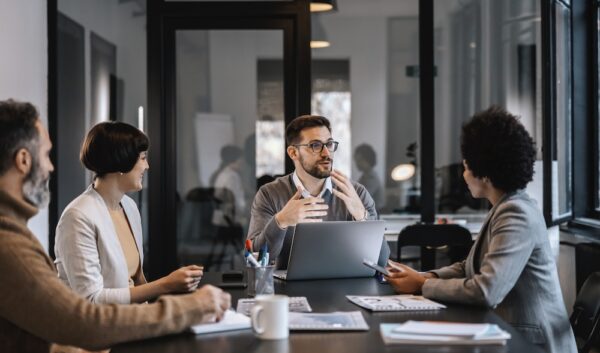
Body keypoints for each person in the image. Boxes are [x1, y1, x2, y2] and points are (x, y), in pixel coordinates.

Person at [0, 99, 230, 352]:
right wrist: (189, 305)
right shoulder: (14, 242)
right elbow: (83, 317)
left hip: (125, 332)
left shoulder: (128, 208)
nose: (51, 166)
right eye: (45, 154)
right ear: (23, 160)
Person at [384, 106, 576, 353]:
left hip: (532, 345)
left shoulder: (515, 213)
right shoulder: (503, 207)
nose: (463, 174)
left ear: (484, 172)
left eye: (466, 166)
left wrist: (421, 285)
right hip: (509, 334)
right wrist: (425, 276)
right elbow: (468, 266)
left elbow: (487, 290)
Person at [54, 122, 203, 304]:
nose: (147, 166)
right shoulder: (77, 217)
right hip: (100, 328)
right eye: (142, 158)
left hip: (132, 320)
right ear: (122, 161)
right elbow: (92, 299)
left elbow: (136, 280)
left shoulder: (128, 206)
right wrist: (167, 284)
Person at [247, 115, 390, 269]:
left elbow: (381, 262)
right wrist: (281, 221)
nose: (327, 153)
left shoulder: (357, 194)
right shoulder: (269, 194)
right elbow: (255, 260)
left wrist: (362, 217)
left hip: (345, 288)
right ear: (293, 153)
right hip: (288, 290)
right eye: (315, 145)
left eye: (329, 144)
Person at [354, 143, 384, 210]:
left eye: (360, 160)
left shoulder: (372, 178)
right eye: (356, 160)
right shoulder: (364, 176)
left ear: (368, 160)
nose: (357, 163)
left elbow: (362, 197)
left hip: (375, 214)